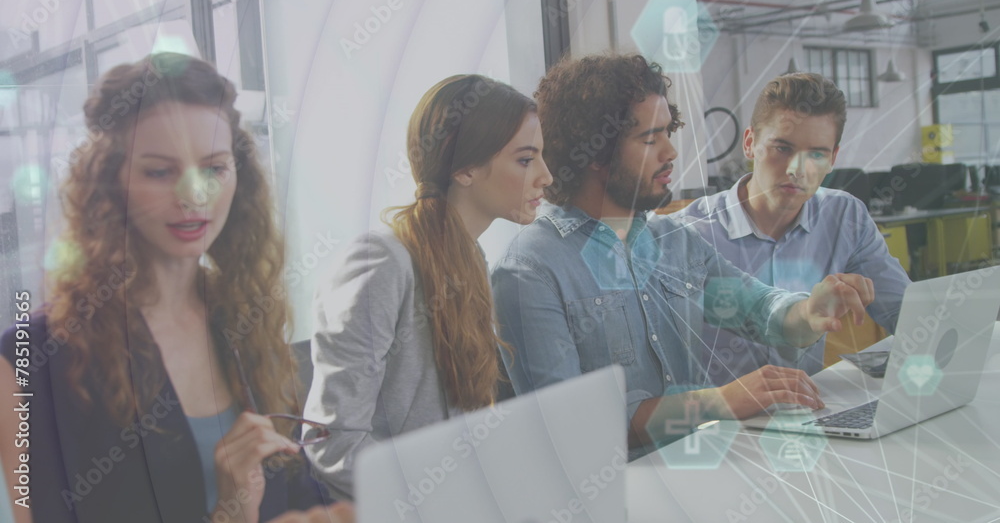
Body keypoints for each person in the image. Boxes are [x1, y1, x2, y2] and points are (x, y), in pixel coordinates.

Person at [0, 53, 351, 523]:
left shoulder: (245, 317)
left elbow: (287, 490)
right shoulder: (29, 357)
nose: (194, 195)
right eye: (160, 172)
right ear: (110, 181)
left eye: (214, 168)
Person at [490, 54, 874, 457]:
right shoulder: (530, 271)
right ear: (596, 152)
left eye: (668, 133)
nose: (671, 152)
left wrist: (810, 311)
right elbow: (569, 430)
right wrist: (719, 402)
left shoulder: (673, 241)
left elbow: (762, 310)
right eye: (650, 139)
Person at [303, 74, 551, 499]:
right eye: (526, 160)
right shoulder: (381, 263)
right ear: (465, 169)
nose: (546, 176)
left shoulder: (469, 259)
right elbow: (333, 443)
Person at [671, 72, 910, 384]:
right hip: (717, 424)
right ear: (750, 143)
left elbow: (906, 314)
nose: (797, 169)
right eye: (782, 148)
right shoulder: (689, 233)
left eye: (816, 154)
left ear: (833, 158)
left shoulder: (844, 217)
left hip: (806, 414)